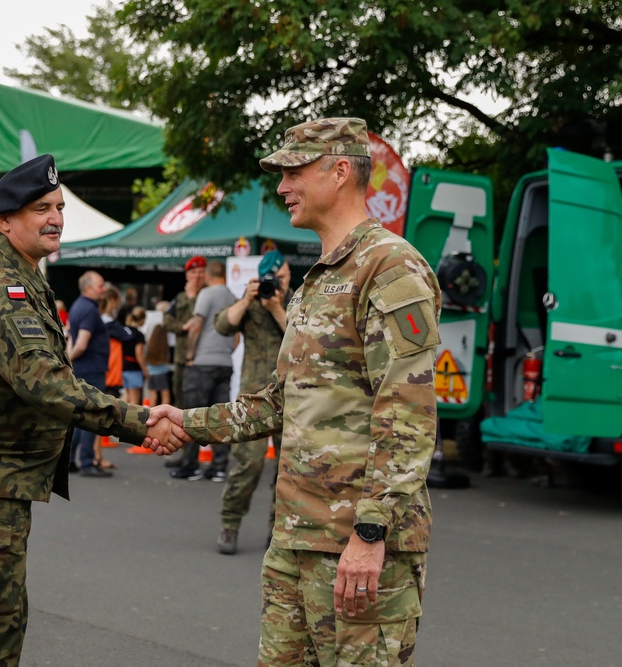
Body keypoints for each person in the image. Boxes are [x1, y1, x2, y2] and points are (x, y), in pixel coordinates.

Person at [148, 118, 440, 667]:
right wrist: (187, 422)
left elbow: (407, 411)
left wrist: (372, 531)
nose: (282, 187)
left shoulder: (389, 266)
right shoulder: (314, 281)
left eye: (293, 171)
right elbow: (283, 399)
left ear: (339, 172)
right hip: (296, 539)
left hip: (357, 543)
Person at [0, 153, 186, 667]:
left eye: (58, 207)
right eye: (40, 208)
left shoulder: (22, 274)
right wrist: (141, 421)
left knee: (1, 621)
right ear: (4, 220)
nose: (55, 217)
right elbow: (45, 383)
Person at [211, 250, 292, 555]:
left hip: (291, 397)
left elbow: (303, 338)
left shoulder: (295, 300)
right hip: (255, 398)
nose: (279, 282)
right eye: (274, 277)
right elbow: (222, 325)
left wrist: (276, 308)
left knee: (288, 470)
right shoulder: (251, 301)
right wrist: (248, 299)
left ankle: (278, 533)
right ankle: (230, 524)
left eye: (283, 277)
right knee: (248, 463)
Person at [169, 260, 237, 482]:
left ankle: (191, 465)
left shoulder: (206, 294)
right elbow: (237, 335)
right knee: (220, 417)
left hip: (202, 364)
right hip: (224, 363)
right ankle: (219, 467)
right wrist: (226, 351)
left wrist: (190, 356)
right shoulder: (232, 297)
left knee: (193, 416)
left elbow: (196, 325)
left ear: (208, 275)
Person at [161, 255, 207, 468]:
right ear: (187, 275)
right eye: (193, 273)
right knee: (181, 407)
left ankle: (196, 458)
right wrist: (182, 327)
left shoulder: (208, 295)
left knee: (200, 409)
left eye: (200, 272)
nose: (197, 276)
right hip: (182, 360)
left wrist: (191, 298)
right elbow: (167, 320)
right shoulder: (180, 297)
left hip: (203, 359)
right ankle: (183, 453)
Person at [66, 270, 112, 477]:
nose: (103, 290)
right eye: (100, 286)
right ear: (88, 288)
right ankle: (86, 462)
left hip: (82, 369)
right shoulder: (90, 311)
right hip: (91, 370)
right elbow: (82, 343)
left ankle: (69, 459)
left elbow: (70, 337)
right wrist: (72, 357)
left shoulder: (77, 306)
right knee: (92, 417)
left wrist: (69, 360)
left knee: (78, 418)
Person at [119, 306, 149, 407]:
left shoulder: (124, 332)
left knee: (126, 396)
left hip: (123, 366)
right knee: (134, 401)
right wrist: (145, 371)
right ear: (142, 319)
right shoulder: (139, 335)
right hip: (134, 368)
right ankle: (131, 422)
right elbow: (139, 354)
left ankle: (117, 418)